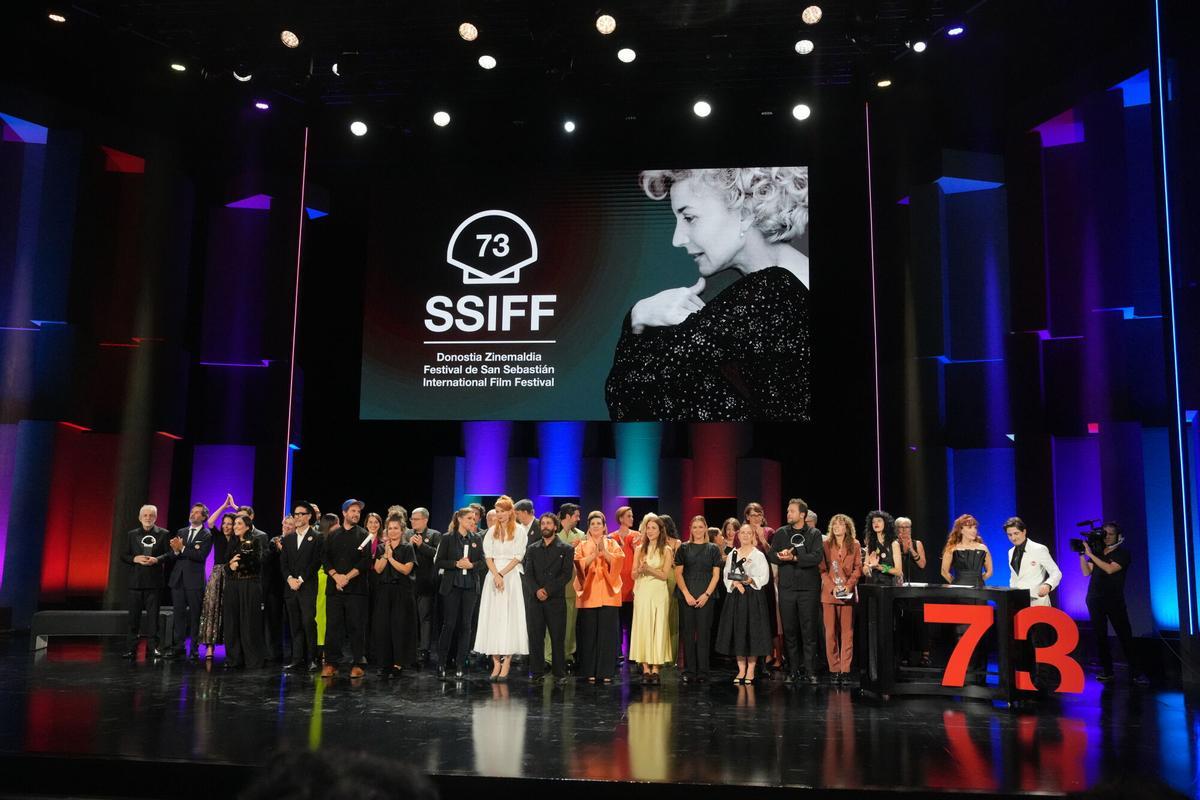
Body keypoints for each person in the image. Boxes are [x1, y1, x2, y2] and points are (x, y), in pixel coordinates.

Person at [605, 167, 811, 422]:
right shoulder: (787, 286)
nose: (677, 238)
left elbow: (627, 398)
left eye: (689, 218)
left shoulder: (771, 291)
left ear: (745, 213)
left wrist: (637, 317)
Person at [1081, 521, 1148, 684]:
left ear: (1118, 536)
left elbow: (1110, 569)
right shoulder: (1098, 552)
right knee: (1100, 636)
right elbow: (1086, 572)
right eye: (1105, 533)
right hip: (1094, 599)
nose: (1107, 537)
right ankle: (1107, 670)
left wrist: (1093, 555)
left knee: (1124, 635)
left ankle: (1136, 672)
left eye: (1110, 534)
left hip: (1113, 599)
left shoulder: (1122, 553)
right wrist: (1082, 554)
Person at [768, 498, 823, 684]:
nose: (788, 514)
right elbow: (771, 555)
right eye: (788, 511)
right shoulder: (781, 533)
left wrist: (794, 557)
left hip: (808, 589)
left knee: (808, 631)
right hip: (787, 589)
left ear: (802, 514)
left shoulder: (814, 533)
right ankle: (792, 670)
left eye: (792, 511)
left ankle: (809, 670)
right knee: (790, 631)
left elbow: (815, 558)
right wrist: (780, 556)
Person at [474, 496, 529, 682]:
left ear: (510, 512)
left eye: (502, 511)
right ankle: (496, 661)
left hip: (510, 577)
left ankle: (506, 662)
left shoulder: (520, 531)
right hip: (493, 575)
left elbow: (518, 556)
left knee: (509, 618)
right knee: (493, 618)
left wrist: (502, 574)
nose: (499, 515)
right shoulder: (491, 532)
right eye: (497, 512)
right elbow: (488, 556)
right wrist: (496, 574)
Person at [321, 500, 372, 678]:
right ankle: (331, 662)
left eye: (358, 511)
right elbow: (325, 559)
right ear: (344, 513)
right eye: (352, 511)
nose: (356, 514)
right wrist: (336, 576)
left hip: (356, 590)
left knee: (356, 627)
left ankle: (358, 663)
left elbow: (365, 562)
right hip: (335, 588)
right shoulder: (333, 535)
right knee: (333, 626)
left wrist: (346, 577)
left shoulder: (364, 535)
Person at [574, 510, 626, 683]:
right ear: (588, 528)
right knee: (588, 634)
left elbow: (619, 563)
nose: (596, 526)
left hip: (609, 594)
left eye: (599, 524)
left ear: (604, 527)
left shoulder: (612, 544)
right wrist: (594, 555)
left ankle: (605, 672)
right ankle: (588, 670)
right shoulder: (581, 546)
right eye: (592, 524)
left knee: (607, 634)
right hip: (588, 594)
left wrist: (605, 553)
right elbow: (578, 566)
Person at [434, 507, 486, 679]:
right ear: (461, 520)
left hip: (470, 587)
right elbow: (439, 561)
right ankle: (442, 663)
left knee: (466, 626)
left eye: (474, 518)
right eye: (470, 518)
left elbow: (483, 562)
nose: (474, 521)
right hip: (452, 587)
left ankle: (460, 664)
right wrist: (455, 564)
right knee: (449, 625)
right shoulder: (448, 538)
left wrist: (472, 565)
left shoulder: (477, 538)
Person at [716, 523, 772, 683]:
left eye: (749, 533)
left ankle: (751, 670)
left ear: (753, 536)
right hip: (736, 597)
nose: (746, 535)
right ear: (738, 536)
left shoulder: (758, 555)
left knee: (752, 632)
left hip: (753, 597)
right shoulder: (733, 553)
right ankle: (741, 670)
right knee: (738, 632)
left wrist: (750, 580)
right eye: (743, 533)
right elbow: (727, 575)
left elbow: (764, 577)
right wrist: (734, 583)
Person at [525, 512, 574, 684]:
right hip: (536, 600)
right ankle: (536, 672)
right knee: (536, 637)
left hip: (555, 600)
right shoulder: (532, 548)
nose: (545, 526)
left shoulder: (566, 549)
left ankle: (559, 673)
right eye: (543, 523)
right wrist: (537, 590)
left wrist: (547, 590)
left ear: (555, 527)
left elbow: (566, 575)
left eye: (548, 523)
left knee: (557, 637)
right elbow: (528, 573)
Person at [674, 516, 722, 683]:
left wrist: (706, 595)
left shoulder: (713, 549)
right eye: (695, 527)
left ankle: (703, 671)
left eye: (701, 527)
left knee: (703, 634)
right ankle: (689, 670)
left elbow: (716, 575)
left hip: (706, 595)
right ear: (691, 529)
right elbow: (678, 573)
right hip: (686, 595)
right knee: (687, 633)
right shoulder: (683, 548)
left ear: (705, 528)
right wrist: (686, 594)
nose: (698, 530)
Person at [162, 503, 213, 660]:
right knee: (179, 614)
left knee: (195, 615)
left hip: (194, 581)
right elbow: (175, 554)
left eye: (197, 513)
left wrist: (183, 549)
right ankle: (178, 646)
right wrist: (176, 550)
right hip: (178, 579)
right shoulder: (182, 531)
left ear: (204, 517)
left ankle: (194, 648)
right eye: (192, 511)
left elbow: (200, 556)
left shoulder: (206, 535)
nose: (193, 514)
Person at [120, 505, 171, 659]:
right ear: (140, 517)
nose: (148, 518)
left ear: (155, 517)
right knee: (133, 618)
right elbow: (124, 555)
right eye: (145, 515)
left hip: (154, 582)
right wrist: (134, 558)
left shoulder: (163, 534)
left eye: (151, 515)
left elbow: (169, 554)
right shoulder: (132, 534)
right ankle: (131, 648)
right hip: (136, 583)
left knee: (153, 618)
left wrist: (157, 559)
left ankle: (153, 647)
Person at [630, 514, 675, 683]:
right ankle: (645, 668)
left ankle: (656, 668)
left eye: (653, 528)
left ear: (660, 530)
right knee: (644, 626)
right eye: (648, 528)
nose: (650, 531)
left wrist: (649, 569)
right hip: (642, 591)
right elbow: (633, 575)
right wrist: (641, 570)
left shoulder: (667, 550)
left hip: (658, 592)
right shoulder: (639, 549)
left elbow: (664, 575)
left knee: (658, 626)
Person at [819, 514, 862, 685]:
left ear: (847, 527)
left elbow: (858, 569)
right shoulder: (825, 544)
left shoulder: (855, 544)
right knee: (830, 634)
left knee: (847, 634)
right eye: (834, 524)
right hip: (829, 595)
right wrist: (832, 587)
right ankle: (834, 669)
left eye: (841, 524)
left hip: (848, 594)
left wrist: (848, 586)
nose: (837, 527)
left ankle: (845, 670)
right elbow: (822, 570)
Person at [372, 515, 417, 677]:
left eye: (396, 528)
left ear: (402, 530)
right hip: (384, 592)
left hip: (401, 592)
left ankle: (398, 663)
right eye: (390, 528)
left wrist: (391, 558)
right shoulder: (381, 548)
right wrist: (385, 555)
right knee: (383, 628)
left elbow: (406, 570)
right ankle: (384, 663)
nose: (392, 531)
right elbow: (377, 569)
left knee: (399, 627)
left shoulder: (407, 548)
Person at [281, 502, 322, 672]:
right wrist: (290, 578)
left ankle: (312, 658)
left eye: (300, 514)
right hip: (290, 588)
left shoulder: (317, 537)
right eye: (295, 514)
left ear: (309, 516)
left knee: (308, 622)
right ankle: (296, 658)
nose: (297, 517)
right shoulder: (288, 538)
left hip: (307, 587)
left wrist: (301, 579)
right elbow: (283, 562)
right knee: (295, 624)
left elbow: (315, 562)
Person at [223, 513, 267, 669]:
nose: (235, 526)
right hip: (232, 585)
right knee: (232, 622)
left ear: (248, 527)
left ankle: (253, 660)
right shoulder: (232, 543)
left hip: (249, 585)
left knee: (249, 622)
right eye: (234, 524)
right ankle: (234, 658)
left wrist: (238, 565)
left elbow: (258, 563)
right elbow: (225, 566)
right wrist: (230, 566)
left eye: (239, 524)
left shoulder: (256, 542)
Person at [550, 503, 586, 669]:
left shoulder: (581, 535)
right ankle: (549, 657)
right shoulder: (553, 533)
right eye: (576, 516)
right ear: (568, 516)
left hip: (572, 584)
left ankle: (568, 654)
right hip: (553, 585)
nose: (579, 519)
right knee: (552, 622)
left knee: (570, 622)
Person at [199, 511, 237, 659]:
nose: (226, 526)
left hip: (232, 575)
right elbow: (210, 522)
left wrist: (235, 507)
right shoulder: (218, 536)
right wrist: (225, 506)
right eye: (225, 523)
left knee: (229, 611)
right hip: (217, 575)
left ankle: (231, 647)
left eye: (230, 524)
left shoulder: (237, 540)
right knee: (213, 609)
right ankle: (210, 647)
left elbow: (246, 520)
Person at [405, 507, 441, 662]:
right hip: (408, 582)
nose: (413, 521)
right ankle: (409, 646)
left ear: (425, 520)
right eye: (412, 519)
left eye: (416, 519)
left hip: (426, 582)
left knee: (424, 616)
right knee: (408, 617)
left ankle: (424, 649)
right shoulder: (407, 535)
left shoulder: (434, 535)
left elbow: (437, 555)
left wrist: (422, 546)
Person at [894, 516, 931, 667]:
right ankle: (905, 654)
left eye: (907, 527)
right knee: (903, 622)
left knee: (920, 621)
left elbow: (922, 564)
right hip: (899, 588)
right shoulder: (894, 544)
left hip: (916, 587)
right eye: (901, 527)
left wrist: (911, 550)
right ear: (896, 530)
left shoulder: (917, 543)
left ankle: (925, 654)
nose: (904, 530)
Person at [610, 505, 639, 657]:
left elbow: (642, 559)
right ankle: (617, 652)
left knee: (633, 620)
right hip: (617, 584)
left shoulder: (637, 536)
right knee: (618, 621)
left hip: (633, 583)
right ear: (621, 518)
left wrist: (635, 548)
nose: (632, 518)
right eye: (629, 516)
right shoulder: (611, 537)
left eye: (632, 516)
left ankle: (633, 652)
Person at [939, 514, 993, 588]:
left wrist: (978, 580)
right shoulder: (952, 549)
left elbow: (989, 572)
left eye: (975, 528)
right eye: (969, 527)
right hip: (959, 591)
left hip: (979, 590)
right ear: (961, 530)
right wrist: (957, 583)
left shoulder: (983, 548)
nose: (974, 531)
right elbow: (944, 572)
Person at [862, 510, 903, 585]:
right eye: (873, 522)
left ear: (886, 523)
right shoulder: (870, 544)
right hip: (872, 585)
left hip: (889, 586)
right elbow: (865, 569)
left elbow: (898, 571)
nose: (876, 523)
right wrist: (868, 570)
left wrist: (878, 567)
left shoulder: (894, 544)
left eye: (879, 521)